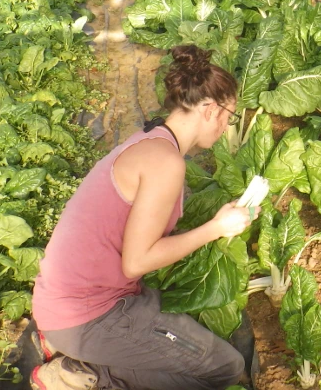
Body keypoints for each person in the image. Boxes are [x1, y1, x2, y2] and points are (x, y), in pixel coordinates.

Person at [30, 45, 257, 390]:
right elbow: (136, 263)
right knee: (224, 368)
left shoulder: (152, 139)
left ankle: (78, 348)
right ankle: (82, 374)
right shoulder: (166, 163)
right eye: (230, 116)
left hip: (73, 300)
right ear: (210, 109)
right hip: (89, 314)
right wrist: (215, 228)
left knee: (188, 344)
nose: (227, 127)